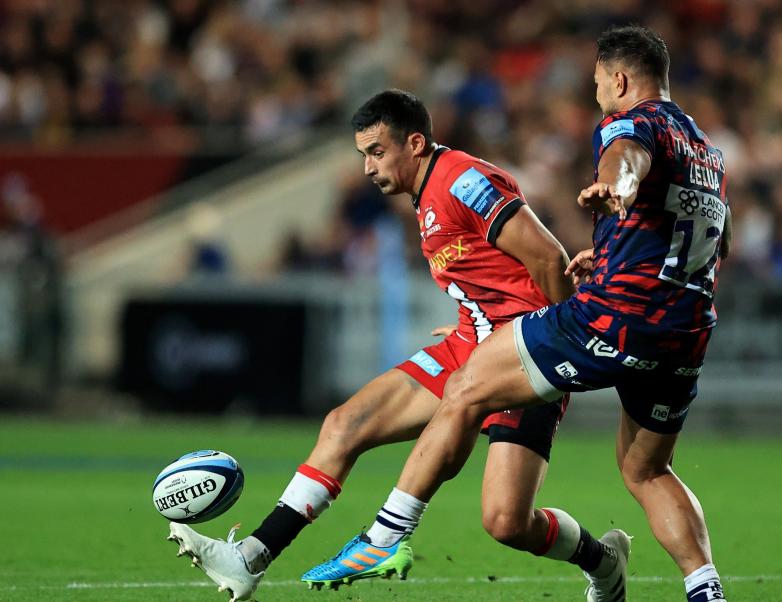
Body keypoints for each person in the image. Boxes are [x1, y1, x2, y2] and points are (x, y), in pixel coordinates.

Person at [328, 26, 733, 602]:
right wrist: (617, 253)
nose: (597, 95)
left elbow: (627, 157)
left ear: (618, 79)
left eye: (597, 84)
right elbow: (718, 244)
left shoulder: (628, 123)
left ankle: (387, 534)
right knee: (646, 472)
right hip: (685, 332)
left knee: (467, 383)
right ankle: (705, 590)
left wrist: (614, 185)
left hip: (614, 318)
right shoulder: (708, 153)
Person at [167, 90, 619, 602]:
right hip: (473, 345)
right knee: (345, 424)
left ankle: (598, 561)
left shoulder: (463, 181)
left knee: (505, 521)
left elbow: (547, 257)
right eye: (363, 154)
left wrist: (562, 343)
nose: (366, 167)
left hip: (524, 353)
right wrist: (473, 321)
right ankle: (251, 557)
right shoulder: (425, 197)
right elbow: (495, 275)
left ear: (416, 143)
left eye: (377, 151)